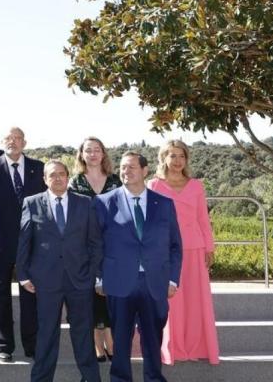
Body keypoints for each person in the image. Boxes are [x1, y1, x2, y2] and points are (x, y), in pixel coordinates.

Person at [96, 152, 182, 382]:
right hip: (119, 281)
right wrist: (99, 278)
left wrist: (172, 279)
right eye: (123, 167)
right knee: (121, 338)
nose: (126, 171)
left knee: (153, 338)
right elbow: (95, 244)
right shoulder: (104, 202)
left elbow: (175, 246)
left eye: (132, 167)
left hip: (155, 282)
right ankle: (120, 379)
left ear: (145, 171)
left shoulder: (164, 204)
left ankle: (154, 378)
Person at [16, 160, 102, 382]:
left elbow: (95, 242)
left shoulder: (85, 203)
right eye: (52, 175)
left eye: (61, 174)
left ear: (68, 176)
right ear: (45, 179)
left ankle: (90, 377)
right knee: (46, 333)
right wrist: (23, 275)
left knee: (83, 333)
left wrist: (93, 273)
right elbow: (24, 241)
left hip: (80, 279)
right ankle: (41, 378)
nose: (57, 178)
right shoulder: (32, 203)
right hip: (45, 280)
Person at [147, 140, 219, 365]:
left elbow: (203, 219)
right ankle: (171, 348)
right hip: (165, 251)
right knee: (171, 301)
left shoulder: (196, 185)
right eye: (173, 156)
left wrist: (209, 247)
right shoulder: (154, 185)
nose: (178, 161)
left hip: (195, 249)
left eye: (182, 156)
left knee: (196, 301)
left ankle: (197, 347)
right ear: (164, 158)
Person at [0, 127, 45, 362]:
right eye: (8, 138)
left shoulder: (39, 167)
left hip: (32, 242)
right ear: (2, 141)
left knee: (31, 293)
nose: (13, 142)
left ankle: (32, 343)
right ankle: (3, 345)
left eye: (17, 138)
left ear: (24, 142)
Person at [68, 136, 121, 362]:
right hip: (84, 244)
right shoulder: (75, 182)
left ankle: (109, 336)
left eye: (97, 149)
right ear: (81, 154)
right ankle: (97, 343)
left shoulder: (115, 180)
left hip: (112, 243)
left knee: (109, 290)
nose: (92, 154)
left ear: (103, 153)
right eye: (88, 150)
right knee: (89, 292)